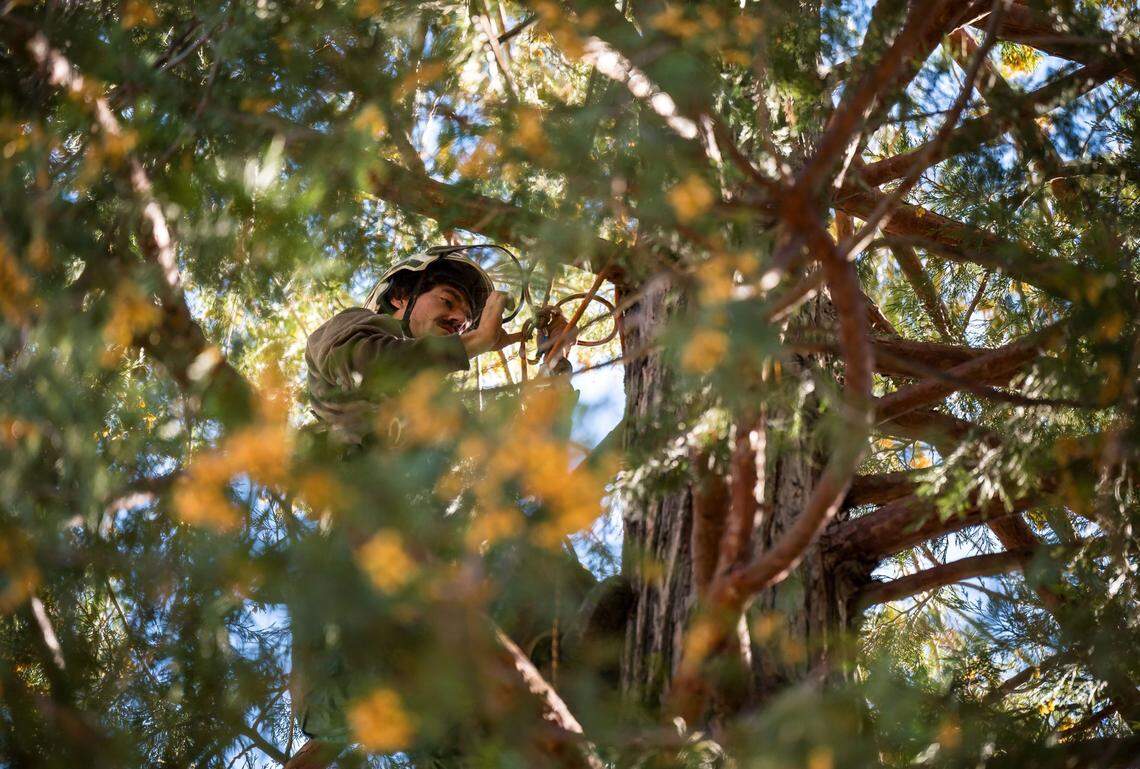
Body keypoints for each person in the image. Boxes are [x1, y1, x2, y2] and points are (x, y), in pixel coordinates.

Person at [289, 246, 618, 769]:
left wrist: (555, 365)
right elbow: (363, 365)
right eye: (447, 301)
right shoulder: (355, 337)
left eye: (465, 316)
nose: (457, 319)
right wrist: (473, 344)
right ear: (402, 297)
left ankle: (613, 663)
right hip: (363, 632)